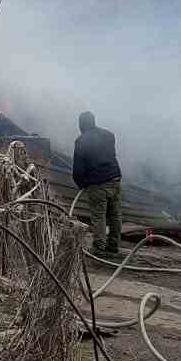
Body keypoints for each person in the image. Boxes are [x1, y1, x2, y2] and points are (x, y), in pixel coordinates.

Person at [73, 110, 123, 257]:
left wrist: (82, 183)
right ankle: (113, 246)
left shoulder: (81, 141)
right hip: (115, 179)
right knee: (115, 215)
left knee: (99, 216)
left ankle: (99, 248)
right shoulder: (109, 135)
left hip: (98, 184)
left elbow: (78, 170)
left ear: (81, 125)